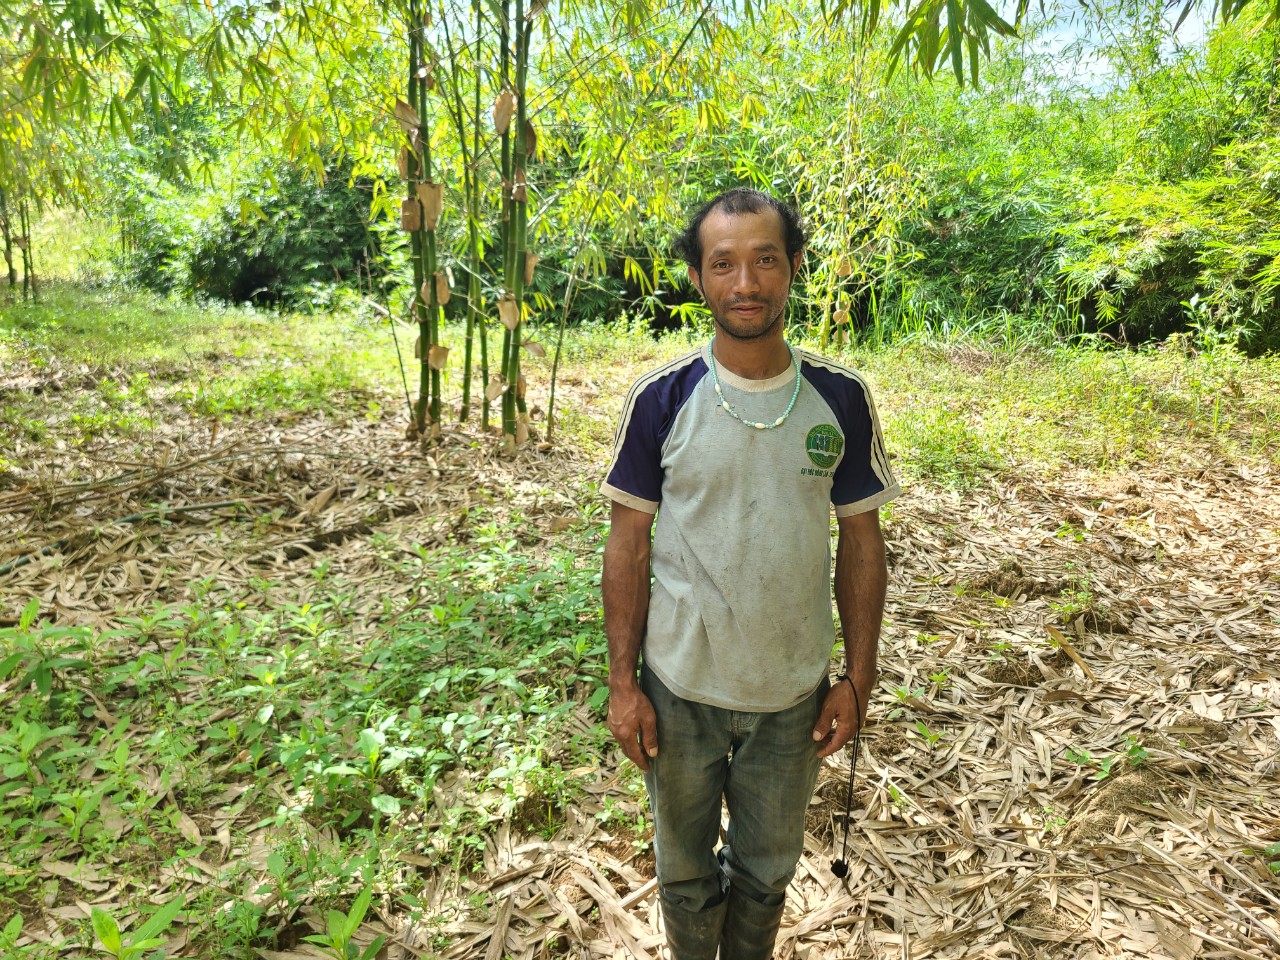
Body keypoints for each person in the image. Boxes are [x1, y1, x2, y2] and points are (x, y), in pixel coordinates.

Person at [600, 188, 902, 960]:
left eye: (765, 260)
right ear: (697, 279)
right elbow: (628, 546)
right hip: (680, 689)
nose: (745, 283)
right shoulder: (662, 399)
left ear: (794, 267)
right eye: (723, 264)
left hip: (792, 696)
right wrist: (624, 685)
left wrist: (858, 677)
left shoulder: (839, 398)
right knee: (684, 875)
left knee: (768, 875)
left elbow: (861, 541)